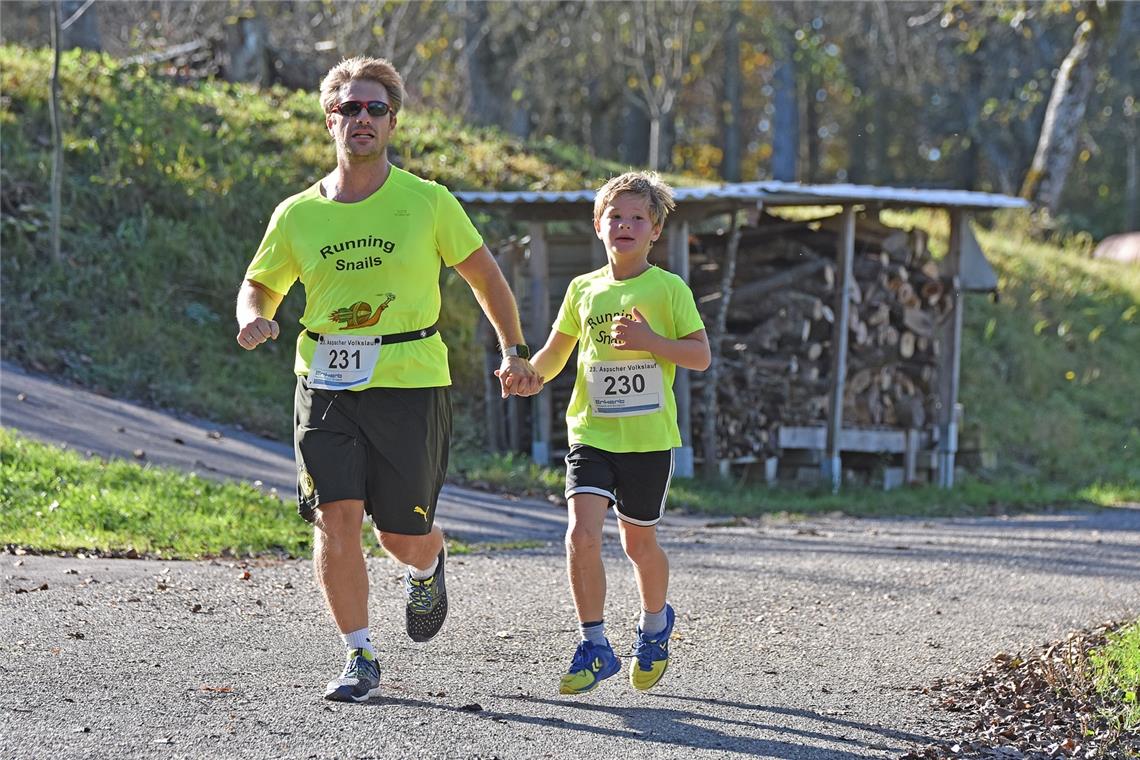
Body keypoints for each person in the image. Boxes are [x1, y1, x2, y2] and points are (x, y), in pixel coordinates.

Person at [234, 56, 542, 703]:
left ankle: (429, 562)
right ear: (330, 119)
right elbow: (259, 283)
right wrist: (255, 315)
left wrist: (515, 351)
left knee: (398, 534)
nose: (362, 118)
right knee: (334, 517)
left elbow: (486, 276)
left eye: (375, 108)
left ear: (393, 122)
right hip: (323, 381)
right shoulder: (297, 214)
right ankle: (358, 655)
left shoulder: (428, 202)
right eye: (350, 107)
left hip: (410, 380)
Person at [528, 171, 710, 694]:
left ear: (655, 231)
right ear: (598, 225)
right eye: (616, 217)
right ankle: (595, 644)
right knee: (581, 536)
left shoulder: (667, 288)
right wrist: (528, 375)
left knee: (638, 543)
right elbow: (556, 352)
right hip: (592, 433)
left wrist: (651, 340)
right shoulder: (582, 289)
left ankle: (654, 625)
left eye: (638, 218)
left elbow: (700, 356)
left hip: (649, 440)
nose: (625, 225)